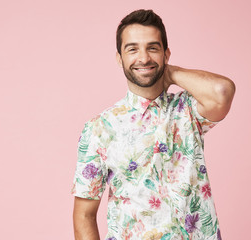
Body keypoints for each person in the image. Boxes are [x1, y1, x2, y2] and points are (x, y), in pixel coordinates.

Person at [71, 9, 235, 240]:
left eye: (152, 48)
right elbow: (84, 215)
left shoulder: (188, 110)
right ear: (119, 58)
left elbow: (222, 92)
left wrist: (171, 74)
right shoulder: (100, 128)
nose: (144, 57)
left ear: (166, 54)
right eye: (132, 49)